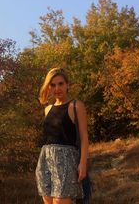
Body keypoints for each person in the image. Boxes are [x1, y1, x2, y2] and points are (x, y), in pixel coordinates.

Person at [35, 68, 89, 204]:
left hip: (66, 160)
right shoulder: (48, 109)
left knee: (60, 201)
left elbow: (84, 138)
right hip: (46, 159)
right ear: (48, 87)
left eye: (60, 84)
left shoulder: (76, 106)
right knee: (47, 200)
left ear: (67, 85)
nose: (57, 88)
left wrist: (83, 163)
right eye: (52, 85)